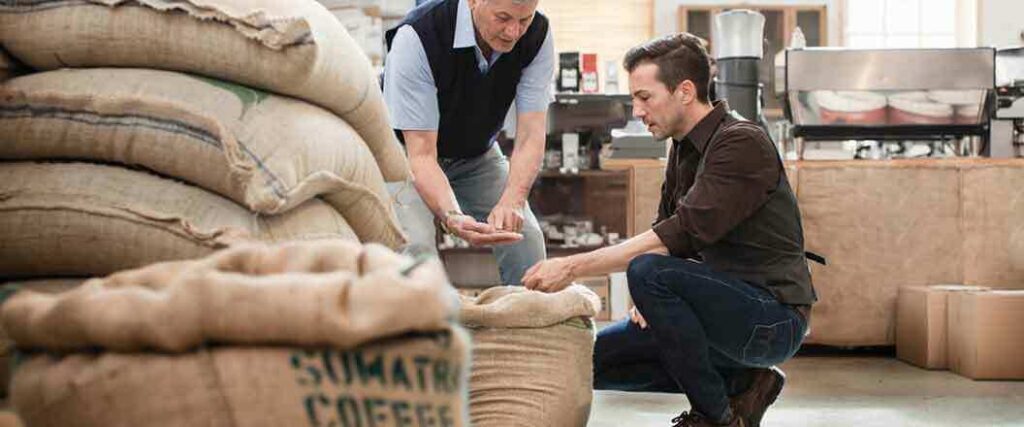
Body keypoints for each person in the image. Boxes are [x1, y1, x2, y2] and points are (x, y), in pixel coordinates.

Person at [522, 33, 818, 427]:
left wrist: (571, 267)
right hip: (718, 310)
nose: (637, 110)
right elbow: (667, 237)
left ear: (685, 91)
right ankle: (744, 382)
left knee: (647, 271)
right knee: (582, 361)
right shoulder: (682, 148)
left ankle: (714, 417)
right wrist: (653, 302)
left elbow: (679, 234)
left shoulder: (740, 143)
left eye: (645, 97)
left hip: (771, 319)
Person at [382, 0, 553, 285]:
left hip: (477, 156)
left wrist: (513, 200)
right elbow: (421, 155)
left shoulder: (538, 34)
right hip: (407, 155)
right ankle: (424, 313)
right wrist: (452, 216)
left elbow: (531, 136)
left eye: (524, 20)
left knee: (526, 239)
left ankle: (529, 313)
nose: (513, 32)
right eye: (503, 18)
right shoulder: (417, 36)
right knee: (416, 248)